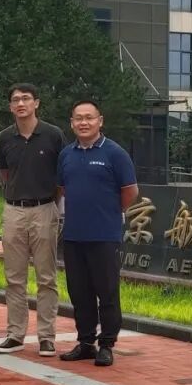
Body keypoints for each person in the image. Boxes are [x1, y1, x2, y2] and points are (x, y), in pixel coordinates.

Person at [57, 99, 138, 367]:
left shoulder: (115, 153)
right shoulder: (66, 155)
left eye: (89, 117)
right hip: (73, 235)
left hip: (104, 235)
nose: (84, 122)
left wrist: (109, 212)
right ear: (72, 123)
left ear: (100, 121)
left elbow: (130, 191)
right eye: (78, 118)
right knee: (79, 293)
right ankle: (85, 342)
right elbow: (63, 189)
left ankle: (106, 344)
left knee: (107, 292)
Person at [0, 83, 67, 357]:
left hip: (45, 208)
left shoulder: (53, 135)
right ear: (10, 106)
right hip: (14, 211)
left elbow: (61, 177)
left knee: (46, 277)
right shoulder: (4, 138)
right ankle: (15, 334)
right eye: (16, 100)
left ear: (36, 103)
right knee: (14, 278)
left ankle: (47, 336)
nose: (21, 103)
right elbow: (4, 175)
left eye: (26, 98)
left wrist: (51, 204)